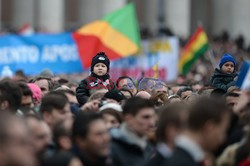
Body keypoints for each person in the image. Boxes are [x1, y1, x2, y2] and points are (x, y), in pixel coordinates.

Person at [166, 97, 230, 166]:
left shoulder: (183, 158)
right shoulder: (182, 162)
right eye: (223, 131)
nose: (223, 139)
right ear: (210, 127)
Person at [110, 97, 156, 166]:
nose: (152, 123)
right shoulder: (111, 150)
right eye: (146, 117)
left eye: (153, 117)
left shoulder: (150, 147)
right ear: (128, 119)